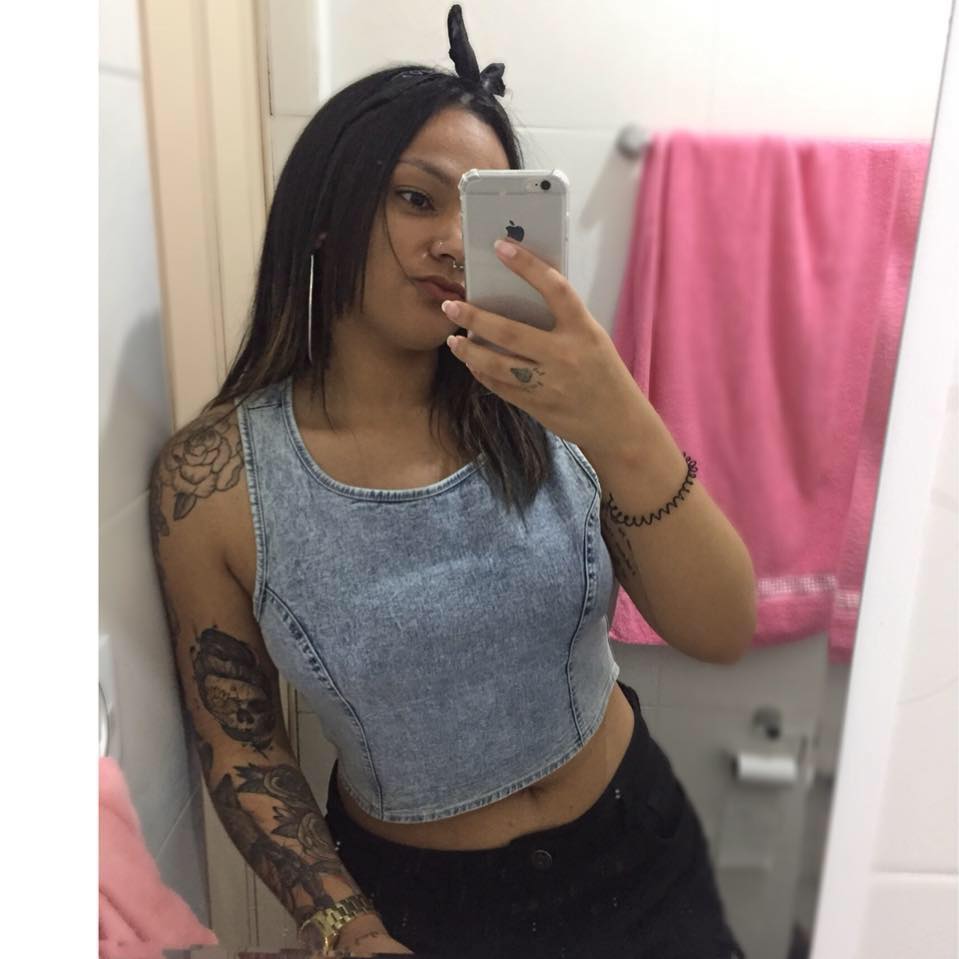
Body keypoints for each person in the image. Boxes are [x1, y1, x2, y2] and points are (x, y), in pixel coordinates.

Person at [149, 6, 755, 957]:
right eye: (415, 198)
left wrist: (621, 417)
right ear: (325, 212)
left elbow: (720, 627)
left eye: (477, 214)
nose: (448, 243)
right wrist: (344, 926)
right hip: (421, 908)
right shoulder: (218, 482)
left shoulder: (553, 406)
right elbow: (242, 740)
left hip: (638, 846)